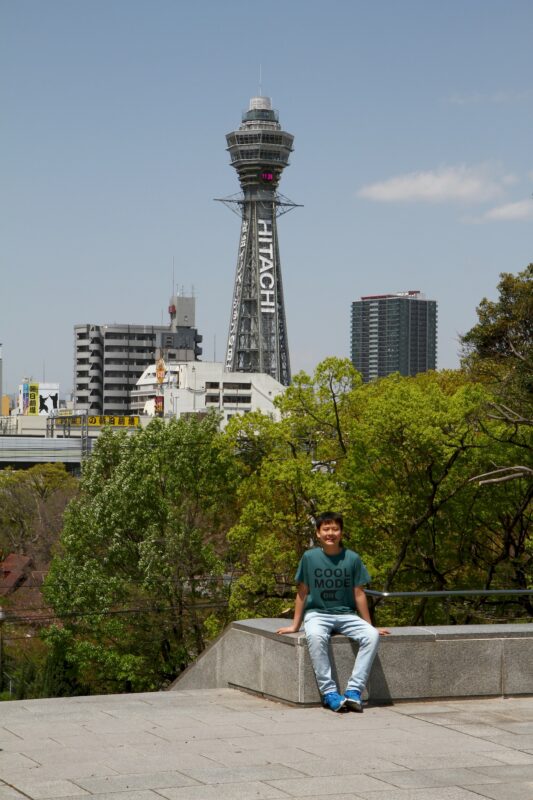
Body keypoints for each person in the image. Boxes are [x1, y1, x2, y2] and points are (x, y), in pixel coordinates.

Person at [277, 511, 389, 712]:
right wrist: (295, 625)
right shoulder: (309, 557)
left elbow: (359, 593)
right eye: (326, 529)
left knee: (371, 636)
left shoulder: (352, 558)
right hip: (317, 614)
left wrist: (370, 625)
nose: (330, 533)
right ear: (318, 533)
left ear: (341, 532)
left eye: (335, 529)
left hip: (346, 614)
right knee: (316, 637)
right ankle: (329, 693)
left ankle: (354, 691)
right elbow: (302, 592)